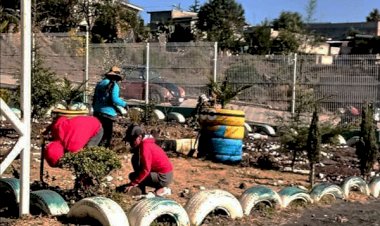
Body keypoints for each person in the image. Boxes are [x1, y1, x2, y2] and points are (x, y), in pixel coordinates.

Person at [120, 124, 173, 196]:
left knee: (133, 176)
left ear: (139, 137)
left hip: (163, 177)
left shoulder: (145, 147)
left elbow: (146, 170)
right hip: (165, 175)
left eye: (132, 141)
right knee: (135, 162)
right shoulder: (146, 143)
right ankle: (145, 188)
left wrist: (133, 183)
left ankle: (162, 189)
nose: (131, 144)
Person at [92, 66, 128, 148]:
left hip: (97, 111)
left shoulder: (100, 84)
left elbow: (95, 97)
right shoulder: (113, 85)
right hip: (108, 113)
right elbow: (115, 99)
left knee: (98, 134)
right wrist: (124, 104)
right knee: (107, 136)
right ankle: (104, 153)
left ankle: (95, 150)